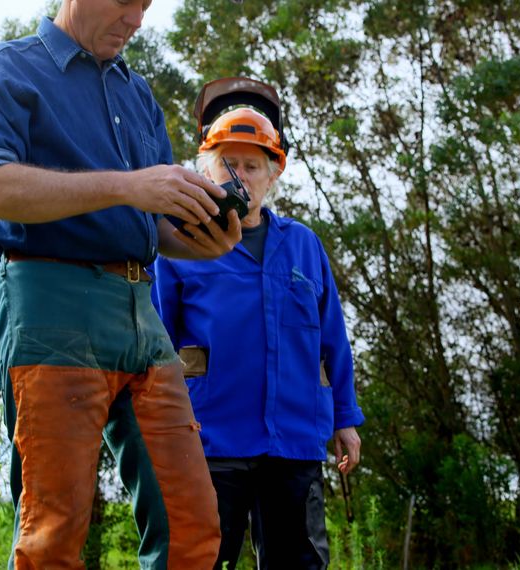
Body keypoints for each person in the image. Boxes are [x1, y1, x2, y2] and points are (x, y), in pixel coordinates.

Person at [0, 1, 243, 568]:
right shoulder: (1, 71)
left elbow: (153, 222)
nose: (137, 18)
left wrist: (205, 241)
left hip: (139, 311)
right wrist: (128, 186)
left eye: (147, 5)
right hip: (48, 303)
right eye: (126, 1)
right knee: (53, 531)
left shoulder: (138, 95)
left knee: (193, 522)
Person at [151, 105, 366, 569]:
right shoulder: (180, 247)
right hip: (211, 439)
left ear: (273, 175)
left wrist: (345, 418)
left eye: (252, 166)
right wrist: (157, 428)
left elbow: (333, 338)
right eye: (228, 164)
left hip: (295, 440)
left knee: (300, 563)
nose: (240, 176)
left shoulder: (304, 245)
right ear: (206, 173)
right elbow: (157, 341)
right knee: (202, 560)